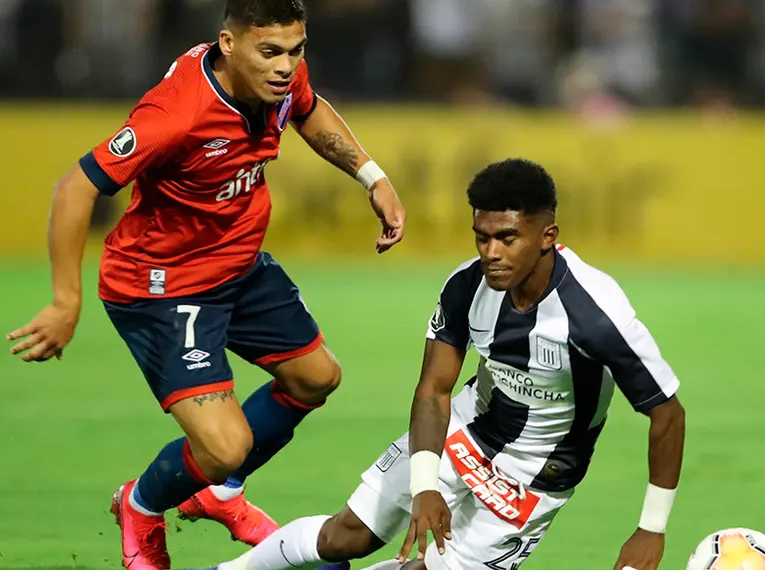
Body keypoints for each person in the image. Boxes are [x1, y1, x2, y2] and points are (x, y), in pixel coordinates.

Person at [5, 0, 407, 569]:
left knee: (315, 378)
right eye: (270, 52)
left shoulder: (279, 76)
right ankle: (141, 505)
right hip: (164, 285)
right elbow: (75, 188)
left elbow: (309, 109)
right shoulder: (176, 114)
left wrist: (372, 177)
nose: (286, 66)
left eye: (295, 50)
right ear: (228, 43)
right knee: (225, 446)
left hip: (238, 266)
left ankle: (219, 494)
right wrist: (66, 300)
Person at [208, 159, 685, 570]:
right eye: (482, 237)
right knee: (346, 536)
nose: (491, 253)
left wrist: (651, 528)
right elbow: (433, 391)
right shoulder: (466, 286)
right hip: (465, 429)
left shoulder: (596, 314)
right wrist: (424, 487)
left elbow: (667, 413)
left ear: (547, 237)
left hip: (535, 477)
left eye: (507, 238)